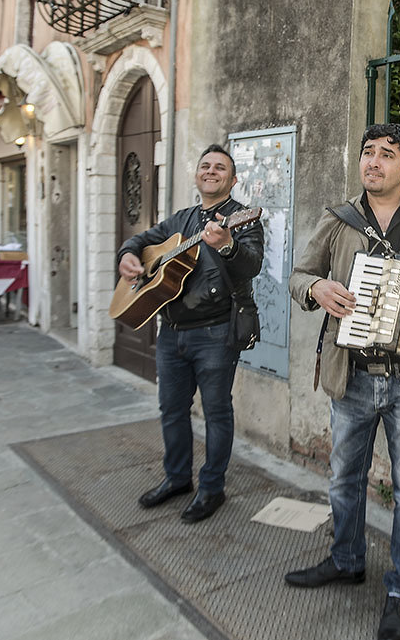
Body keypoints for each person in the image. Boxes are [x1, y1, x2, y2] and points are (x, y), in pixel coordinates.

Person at [284, 124, 400, 640]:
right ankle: (346, 559)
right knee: (344, 479)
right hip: (352, 377)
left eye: (386, 155)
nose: (372, 161)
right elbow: (299, 276)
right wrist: (318, 288)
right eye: (368, 152)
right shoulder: (337, 219)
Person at [117, 144, 263, 523]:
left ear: (233, 180)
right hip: (172, 332)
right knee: (171, 409)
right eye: (205, 166)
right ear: (197, 175)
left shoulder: (243, 218)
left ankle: (212, 488)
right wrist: (127, 255)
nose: (211, 171)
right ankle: (177, 478)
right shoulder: (180, 219)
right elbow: (141, 241)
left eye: (220, 168)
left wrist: (227, 245)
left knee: (216, 413)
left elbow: (252, 266)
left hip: (215, 332)